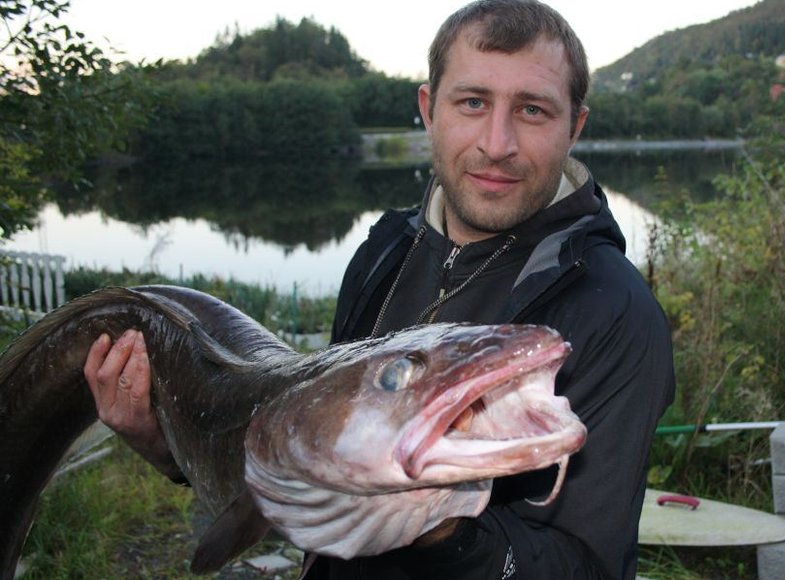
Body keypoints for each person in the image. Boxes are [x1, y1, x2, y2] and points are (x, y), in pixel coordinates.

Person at [84, 1, 676, 578]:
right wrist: (167, 446)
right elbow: (309, 461)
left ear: (575, 126)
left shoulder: (614, 312)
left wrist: (441, 530)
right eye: (472, 102)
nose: (497, 143)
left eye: (533, 110)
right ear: (429, 109)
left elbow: (589, 565)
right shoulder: (384, 251)